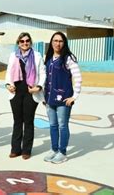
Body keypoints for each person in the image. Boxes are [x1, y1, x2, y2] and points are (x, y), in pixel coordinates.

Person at [5, 32, 46, 160]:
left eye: (27, 41)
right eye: (22, 41)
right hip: (16, 92)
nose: (25, 43)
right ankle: (15, 149)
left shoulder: (37, 56)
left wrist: (38, 87)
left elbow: (42, 73)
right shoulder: (13, 56)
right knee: (17, 121)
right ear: (18, 43)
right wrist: (8, 85)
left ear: (30, 42)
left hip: (31, 92)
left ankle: (26, 150)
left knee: (28, 122)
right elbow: (8, 72)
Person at [43, 31, 82, 164]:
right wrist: (43, 96)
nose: (57, 43)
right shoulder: (48, 58)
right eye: (55, 40)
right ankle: (54, 149)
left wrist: (74, 96)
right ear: (51, 42)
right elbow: (44, 78)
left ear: (64, 43)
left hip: (63, 99)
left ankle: (62, 152)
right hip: (49, 99)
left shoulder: (68, 58)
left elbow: (77, 77)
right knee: (53, 125)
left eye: (60, 41)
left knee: (62, 125)